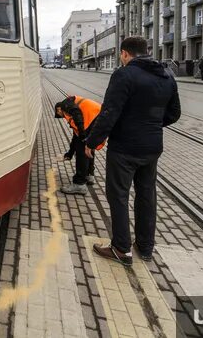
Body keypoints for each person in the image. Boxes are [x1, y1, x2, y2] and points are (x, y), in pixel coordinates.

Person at [84, 36, 181, 266]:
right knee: (147, 195)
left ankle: (121, 248)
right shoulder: (167, 75)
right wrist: (150, 125)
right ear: (146, 51)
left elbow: (109, 113)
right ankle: (145, 247)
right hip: (152, 147)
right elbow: (174, 113)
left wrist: (91, 142)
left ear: (125, 54)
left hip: (124, 148)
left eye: (121, 55)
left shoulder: (124, 74)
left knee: (118, 195)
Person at [54, 96, 105, 195]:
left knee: (81, 152)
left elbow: (77, 115)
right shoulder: (73, 105)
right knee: (88, 147)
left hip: (94, 119)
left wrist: (82, 134)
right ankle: (89, 175)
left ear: (58, 109)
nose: (63, 117)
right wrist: (69, 154)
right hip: (99, 118)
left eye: (59, 114)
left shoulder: (65, 104)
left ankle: (79, 184)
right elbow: (75, 137)